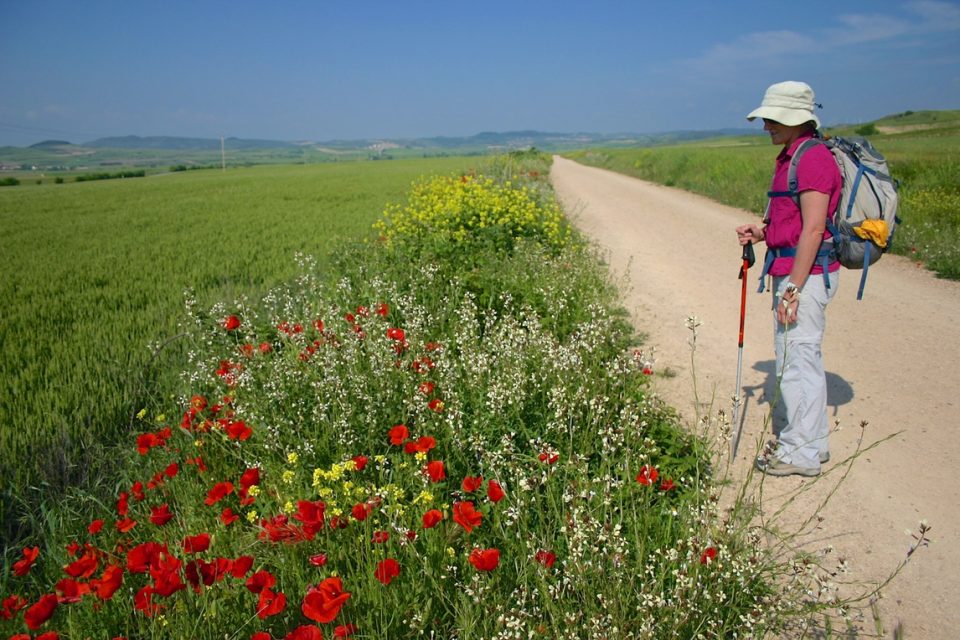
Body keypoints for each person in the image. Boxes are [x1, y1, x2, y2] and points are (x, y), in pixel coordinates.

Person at [736, 81, 842, 477]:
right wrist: (762, 232)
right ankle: (814, 445)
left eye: (775, 118)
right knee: (800, 360)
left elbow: (814, 230)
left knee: (796, 363)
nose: (766, 125)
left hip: (805, 276)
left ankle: (800, 453)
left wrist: (793, 289)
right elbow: (793, 222)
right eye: (766, 117)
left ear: (799, 120)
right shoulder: (792, 155)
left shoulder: (812, 159)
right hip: (793, 270)